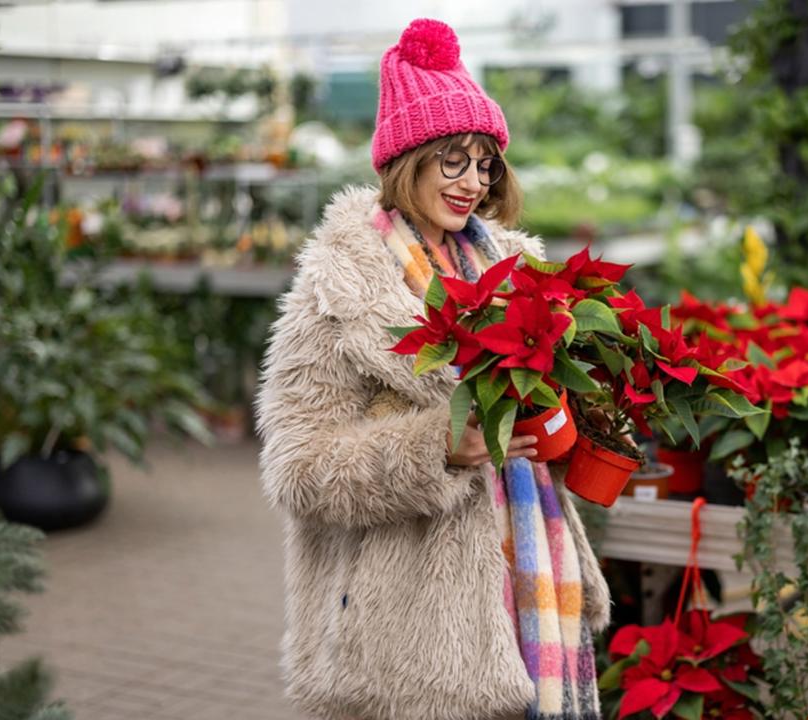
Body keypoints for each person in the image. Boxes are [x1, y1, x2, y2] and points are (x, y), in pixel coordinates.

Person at [255, 18, 610, 720]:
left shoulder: (514, 269)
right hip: (413, 632)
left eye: (485, 163)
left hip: (529, 580)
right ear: (406, 159)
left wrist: (590, 415)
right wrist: (438, 448)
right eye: (453, 159)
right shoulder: (339, 285)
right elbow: (299, 468)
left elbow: (534, 413)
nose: (473, 181)